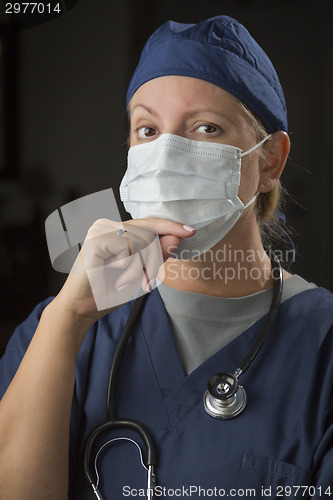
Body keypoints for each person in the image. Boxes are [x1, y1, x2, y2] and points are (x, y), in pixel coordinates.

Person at [0, 15, 332, 500]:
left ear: (270, 161)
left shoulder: (322, 347)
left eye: (206, 127)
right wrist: (67, 317)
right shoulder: (57, 332)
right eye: (148, 129)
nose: (169, 153)